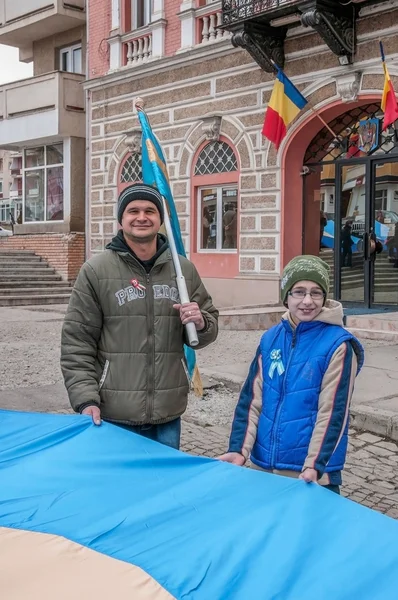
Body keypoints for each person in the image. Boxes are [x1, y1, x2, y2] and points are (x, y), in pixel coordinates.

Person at [61, 183, 219, 449]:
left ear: (160, 219)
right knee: (116, 489)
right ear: (121, 219)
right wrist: (86, 399)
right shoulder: (96, 271)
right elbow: (77, 343)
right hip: (113, 415)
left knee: (164, 488)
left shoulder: (183, 270)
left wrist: (201, 322)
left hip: (167, 414)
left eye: (150, 210)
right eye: (133, 210)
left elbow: (209, 327)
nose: (142, 217)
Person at [219, 255, 364, 494]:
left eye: (316, 292)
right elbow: (252, 401)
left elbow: (333, 412)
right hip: (264, 468)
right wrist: (239, 449)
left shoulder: (339, 345)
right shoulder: (271, 339)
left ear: (325, 297)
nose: (307, 301)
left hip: (310, 476)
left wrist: (314, 466)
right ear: (286, 296)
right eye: (298, 291)